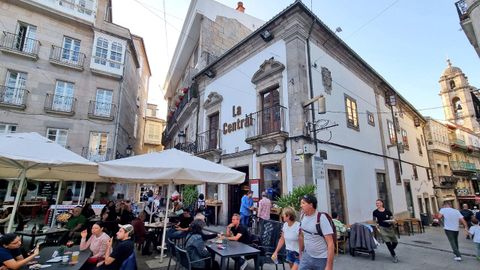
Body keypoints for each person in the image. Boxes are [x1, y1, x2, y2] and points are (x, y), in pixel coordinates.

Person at [298, 195, 334, 270]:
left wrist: (329, 266)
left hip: (321, 258)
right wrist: (300, 252)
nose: (301, 205)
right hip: (307, 256)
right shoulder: (302, 216)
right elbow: (301, 235)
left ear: (311, 205)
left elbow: (330, 243)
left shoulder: (321, 218)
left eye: (303, 203)